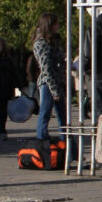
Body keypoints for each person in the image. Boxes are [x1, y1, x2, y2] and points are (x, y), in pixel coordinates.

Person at [31, 12, 65, 150]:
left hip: (57, 82)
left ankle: (69, 149)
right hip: (48, 84)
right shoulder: (41, 43)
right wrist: (54, 90)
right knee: (45, 114)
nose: (58, 26)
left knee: (63, 117)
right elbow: (46, 69)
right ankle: (41, 144)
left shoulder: (54, 41)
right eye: (56, 23)